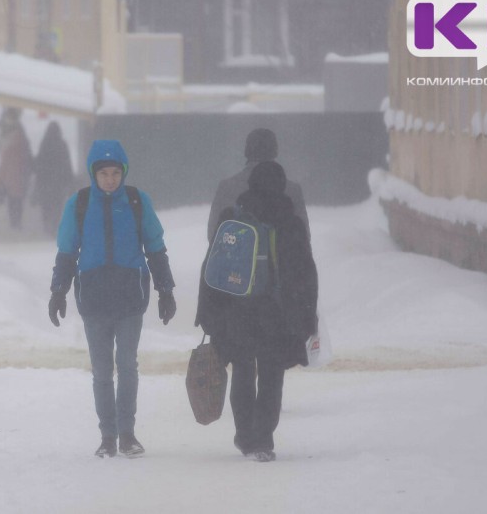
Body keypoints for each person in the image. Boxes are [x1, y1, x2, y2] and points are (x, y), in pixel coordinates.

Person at [48, 139, 177, 458]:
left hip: (129, 298)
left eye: (115, 172)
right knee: (102, 370)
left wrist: (166, 289)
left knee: (127, 365)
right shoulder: (78, 203)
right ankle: (107, 435)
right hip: (93, 299)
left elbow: (156, 247)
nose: (109, 179)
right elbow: (66, 250)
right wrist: (58, 292)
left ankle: (127, 433)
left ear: (123, 172)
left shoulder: (136, 201)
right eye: (103, 173)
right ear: (94, 173)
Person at [196, 161, 318, 462]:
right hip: (276, 313)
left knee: (243, 369)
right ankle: (263, 438)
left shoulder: (234, 218)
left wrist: (208, 311)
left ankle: (245, 436)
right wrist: (307, 315)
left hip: (239, 311)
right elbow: (306, 273)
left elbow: (212, 266)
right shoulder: (290, 222)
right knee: (272, 375)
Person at [207, 127, 310, 242]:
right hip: (282, 258)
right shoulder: (292, 190)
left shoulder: (227, 187)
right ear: (275, 151)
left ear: (247, 151)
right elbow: (303, 237)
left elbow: (213, 234)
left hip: (238, 257)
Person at [33, 121, 74, 235]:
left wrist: (39, 178)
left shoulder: (44, 144)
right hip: (58, 183)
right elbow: (67, 164)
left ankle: (47, 225)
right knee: (57, 205)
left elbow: (39, 163)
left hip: (45, 182)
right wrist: (69, 181)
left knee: (46, 205)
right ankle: (54, 226)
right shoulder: (62, 144)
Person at [0, 108, 33, 229]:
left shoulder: (9, 146)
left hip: (11, 178)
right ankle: (17, 221)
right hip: (20, 177)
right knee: (18, 200)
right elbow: (27, 158)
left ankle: (14, 222)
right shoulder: (22, 142)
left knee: (13, 200)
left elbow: (4, 164)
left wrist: (2, 179)